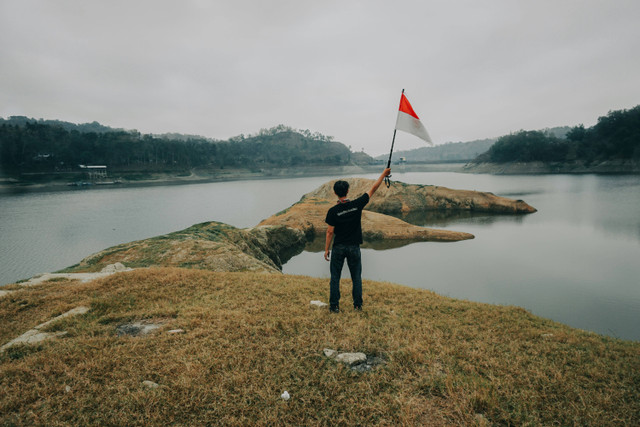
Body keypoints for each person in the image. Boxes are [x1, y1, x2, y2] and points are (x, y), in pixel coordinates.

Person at [324, 167, 391, 313]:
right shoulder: (357, 204)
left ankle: (334, 306)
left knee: (335, 277)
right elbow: (373, 188)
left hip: (339, 247)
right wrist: (384, 174)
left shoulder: (333, 211)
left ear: (335, 193)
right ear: (347, 191)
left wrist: (326, 249)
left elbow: (330, 232)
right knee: (356, 277)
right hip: (354, 247)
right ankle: (357, 306)